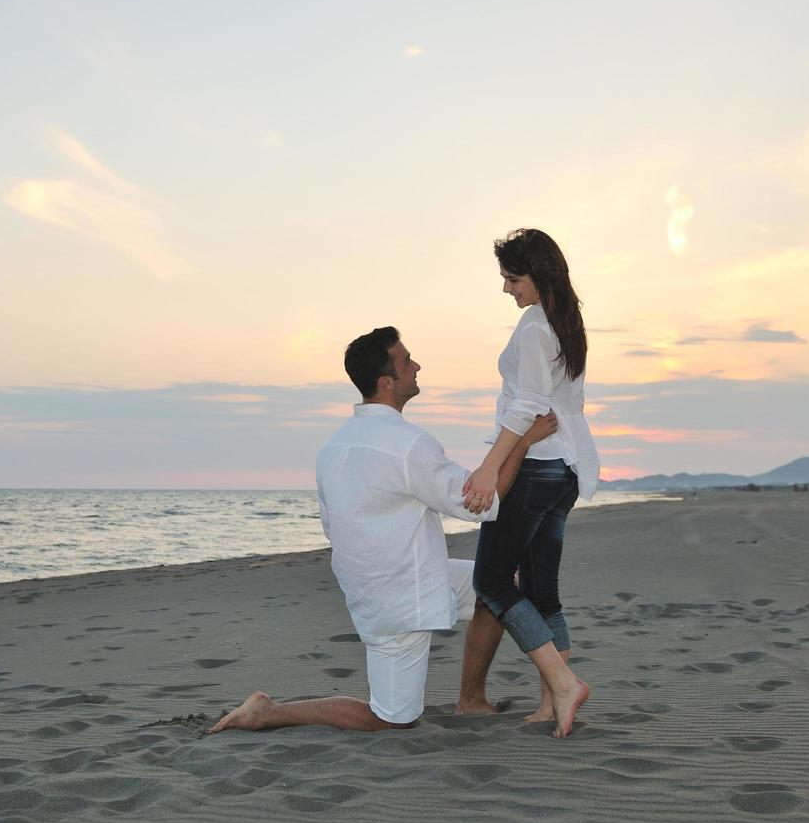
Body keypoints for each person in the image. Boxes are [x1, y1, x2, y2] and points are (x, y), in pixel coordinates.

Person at [209, 327, 556, 735]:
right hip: (395, 601)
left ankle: (471, 700)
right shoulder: (408, 444)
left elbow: (332, 525)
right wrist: (522, 440)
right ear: (386, 383)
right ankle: (268, 711)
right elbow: (480, 504)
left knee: (496, 586)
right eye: (407, 361)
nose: (417, 366)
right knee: (392, 719)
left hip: (390, 579)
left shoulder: (333, 447)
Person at [457, 229, 600, 736]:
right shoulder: (567, 322)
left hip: (538, 468)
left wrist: (490, 466)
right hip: (564, 469)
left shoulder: (536, 326)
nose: (505, 288)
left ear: (538, 274)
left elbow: (528, 403)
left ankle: (563, 684)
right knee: (543, 593)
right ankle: (552, 703)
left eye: (512, 278)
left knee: (491, 581)